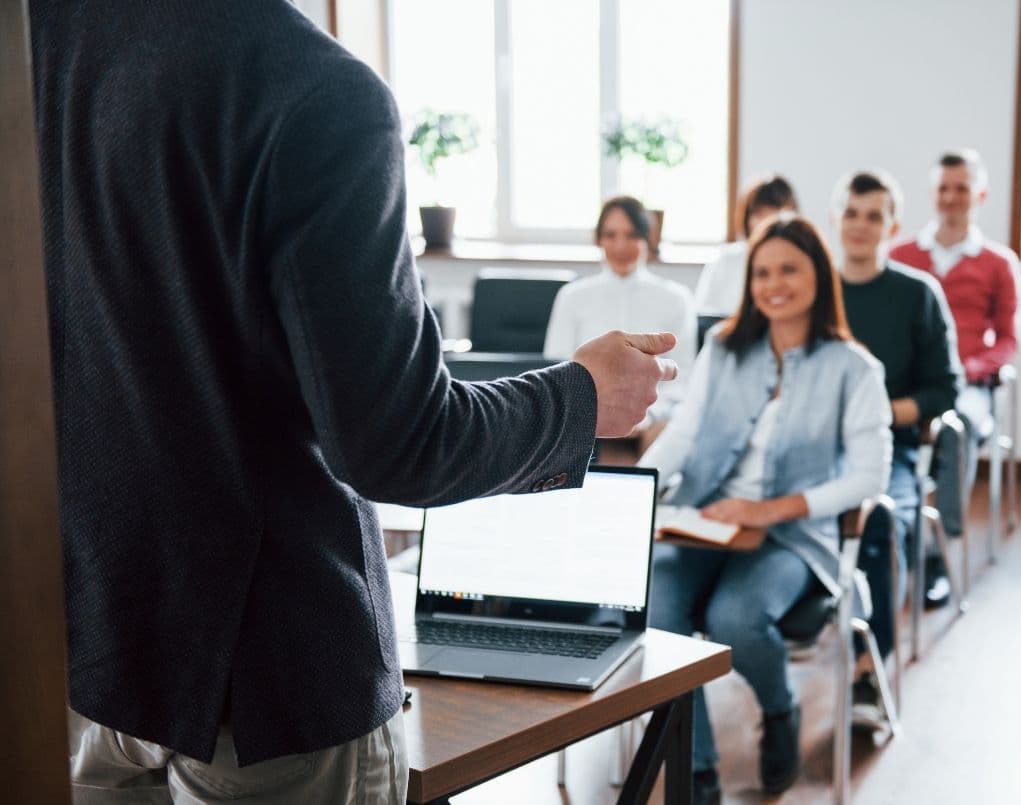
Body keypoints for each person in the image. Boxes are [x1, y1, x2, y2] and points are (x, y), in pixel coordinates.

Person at [32, 4, 677, 802]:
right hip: (272, 686)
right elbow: (400, 442)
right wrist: (581, 397)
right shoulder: (311, 90)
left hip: (94, 651)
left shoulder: (44, 40)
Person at [641, 214, 892, 803]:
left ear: (819, 276)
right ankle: (697, 768)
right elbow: (685, 433)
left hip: (793, 534)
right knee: (658, 609)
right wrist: (636, 489)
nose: (773, 285)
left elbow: (870, 476)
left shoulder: (855, 368)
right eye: (762, 273)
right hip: (704, 519)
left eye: (789, 270)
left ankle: (780, 709)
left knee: (735, 617)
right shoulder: (724, 348)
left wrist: (772, 509)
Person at [833, 170, 962, 696]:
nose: (860, 225)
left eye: (873, 216)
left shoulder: (918, 295)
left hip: (891, 449)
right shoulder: (813, 291)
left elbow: (944, 391)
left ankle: (871, 663)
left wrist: (877, 414)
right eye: (851, 213)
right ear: (836, 219)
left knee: (881, 524)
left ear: (892, 226)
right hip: (814, 450)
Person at [889, 148, 1021, 607]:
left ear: (979, 195)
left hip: (968, 384)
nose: (951, 197)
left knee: (957, 426)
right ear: (932, 193)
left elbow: (1009, 339)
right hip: (910, 382)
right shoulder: (901, 255)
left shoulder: (998, 263)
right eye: (943, 189)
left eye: (961, 189)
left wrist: (972, 368)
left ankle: (936, 550)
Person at [543, 195, 696, 450]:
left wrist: (648, 416)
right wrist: (594, 414)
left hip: (652, 419)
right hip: (586, 416)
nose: (620, 246)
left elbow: (684, 377)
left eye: (632, 235)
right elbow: (556, 366)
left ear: (648, 238)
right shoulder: (572, 297)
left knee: (669, 435)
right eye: (610, 235)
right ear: (599, 239)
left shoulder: (677, 299)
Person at [692, 175, 800, 318]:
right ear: (747, 218)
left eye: (774, 212)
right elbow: (705, 315)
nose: (767, 222)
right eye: (759, 214)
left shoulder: (802, 260)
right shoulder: (726, 260)